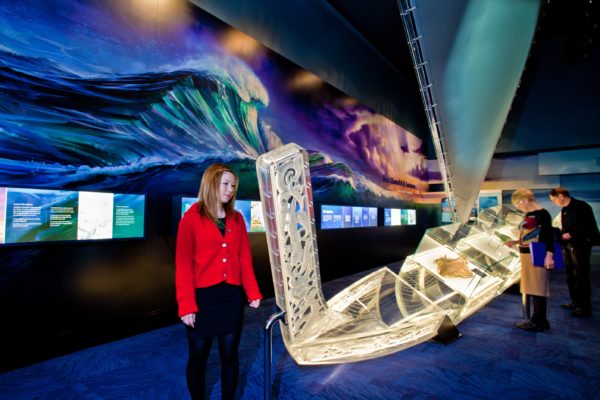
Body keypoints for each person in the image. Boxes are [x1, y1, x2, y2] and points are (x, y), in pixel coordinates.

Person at [176, 163, 262, 400]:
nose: (230, 190)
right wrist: (186, 306)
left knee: (230, 356)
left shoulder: (237, 219)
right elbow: (183, 266)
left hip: (231, 298)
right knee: (198, 357)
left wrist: (252, 292)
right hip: (202, 299)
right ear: (211, 183)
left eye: (233, 186)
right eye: (225, 184)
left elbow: (244, 258)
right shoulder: (190, 218)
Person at [550, 187, 599, 317]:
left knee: (581, 275)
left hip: (580, 246)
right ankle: (575, 302)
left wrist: (567, 235)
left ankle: (584, 307)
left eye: (553, 199)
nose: (553, 202)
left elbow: (581, 228)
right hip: (569, 246)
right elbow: (566, 229)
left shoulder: (580, 206)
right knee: (570, 275)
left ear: (560, 196)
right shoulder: (565, 210)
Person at [511, 189, 555, 331]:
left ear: (524, 199)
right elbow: (531, 234)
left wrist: (549, 254)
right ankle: (537, 320)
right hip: (526, 255)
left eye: (518, 203)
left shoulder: (543, 214)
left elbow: (547, 235)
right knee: (532, 287)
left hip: (537, 253)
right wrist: (516, 241)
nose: (518, 206)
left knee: (538, 288)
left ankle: (539, 321)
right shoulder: (529, 214)